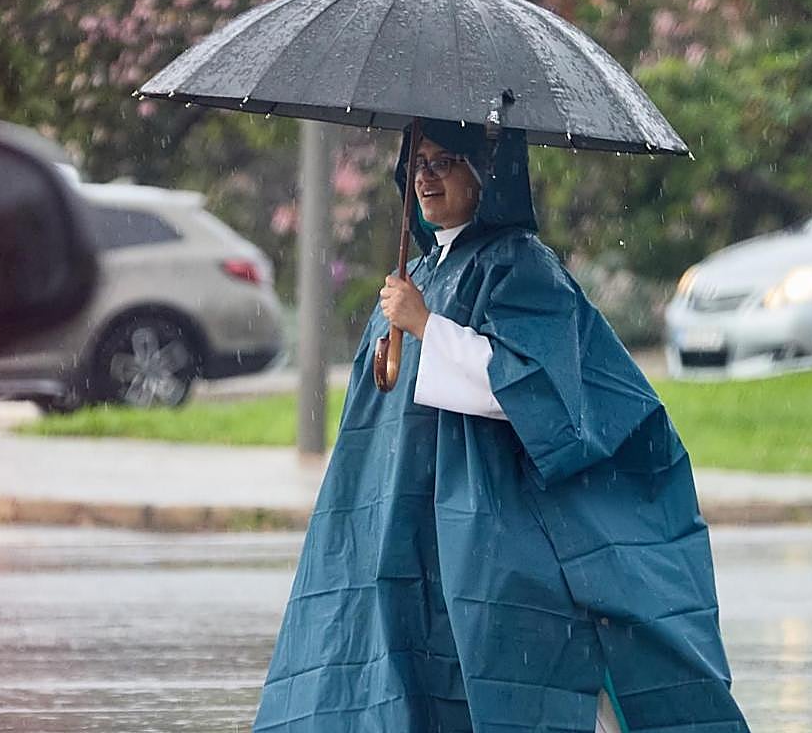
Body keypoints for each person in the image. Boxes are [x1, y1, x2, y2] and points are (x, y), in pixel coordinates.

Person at [253, 118, 749, 733]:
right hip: (417, 521)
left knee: (509, 662)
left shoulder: (521, 267)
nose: (426, 179)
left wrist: (428, 327)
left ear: (482, 173)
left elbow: (530, 388)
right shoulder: (420, 274)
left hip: (494, 523)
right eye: (417, 165)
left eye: (443, 162)